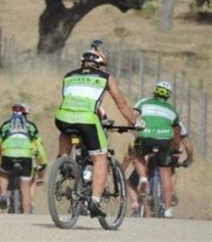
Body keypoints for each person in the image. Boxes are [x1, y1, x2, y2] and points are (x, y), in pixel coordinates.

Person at [54, 44, 141, 218]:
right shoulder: (105, 77)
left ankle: (64, 163)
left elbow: (70, 99)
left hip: (62, 118)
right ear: (101, 65)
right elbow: (122, 104)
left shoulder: (69, 76)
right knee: (100, 157)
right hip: (87, 120)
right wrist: (134, 122)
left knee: (66, 131)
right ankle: (95, 201)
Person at [0, 103, 48, 214]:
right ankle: (26, 214)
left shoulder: (5, 125)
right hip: (26, 156)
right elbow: (40, 147)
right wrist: (43, 162)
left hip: (8, 154)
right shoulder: (31, 126)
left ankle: (4, 194)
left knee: (3, 174)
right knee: (25, 188)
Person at [132, 81, 181, 218]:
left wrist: (137, 132)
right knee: (165, 174)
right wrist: (176, 149)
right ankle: (168, 209)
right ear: (168, 96)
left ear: (154, 92)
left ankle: (142, 178)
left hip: (146, 137)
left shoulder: (144, 102)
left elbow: (133, 116)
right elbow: (177, 131)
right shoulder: (172, 110)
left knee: (137, 155)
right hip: (165, 141)